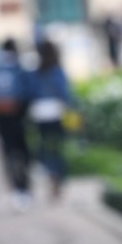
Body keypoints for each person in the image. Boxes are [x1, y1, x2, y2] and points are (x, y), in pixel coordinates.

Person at [0, 39, 32, 211]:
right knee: (20, 155)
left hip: (6, 121)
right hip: (15, 120)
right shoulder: (17, 69)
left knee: (11, 155)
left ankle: (19, 189)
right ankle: (23, 188)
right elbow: (27, 94)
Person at [27, 39, 71, 200]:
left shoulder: (36, 71)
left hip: (40, 114)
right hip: (56, 112)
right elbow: (64, 92)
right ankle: (57, 176)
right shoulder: (56, 70)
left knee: (45, 145)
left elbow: (31, 92)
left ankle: (51, 172)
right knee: (58, 146)